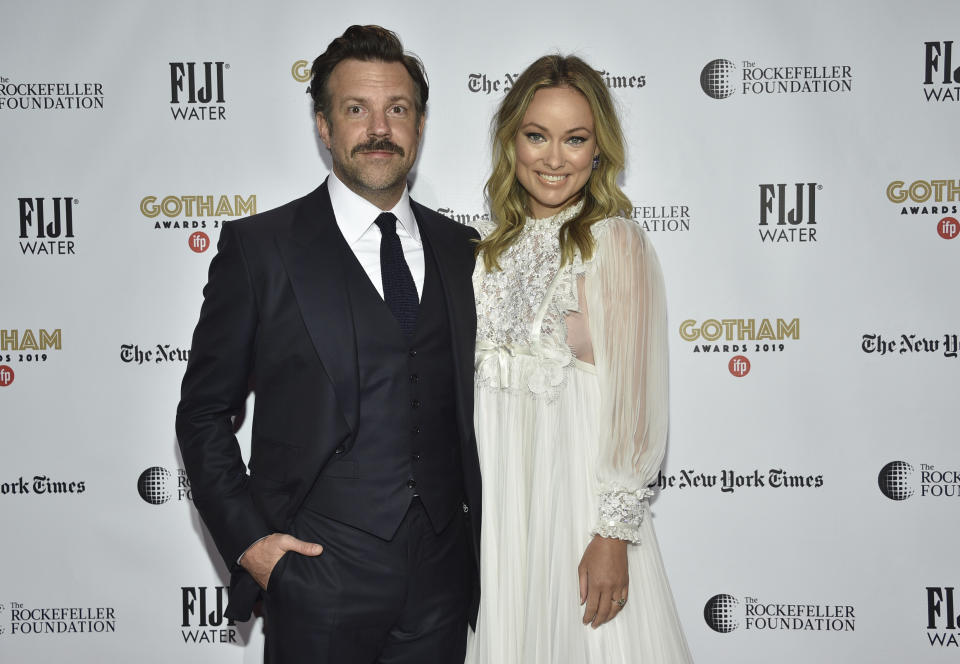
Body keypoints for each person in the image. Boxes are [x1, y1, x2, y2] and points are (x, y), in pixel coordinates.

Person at [175, 25, 481, 663]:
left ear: (420, 126)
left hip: (443, 582)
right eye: (356, 109)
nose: (379, 129)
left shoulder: (464, 252)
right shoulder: (262, 250)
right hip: (317, 575)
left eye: (397, 110)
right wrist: (251, 545)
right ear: (323, 125)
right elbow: (203, 412)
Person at [465, 54, 693, 663]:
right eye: (537, 136)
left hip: (580, 515)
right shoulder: (486, 256)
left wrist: (612, 534)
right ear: (512, 142)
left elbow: (637, 401)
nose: (554, 157)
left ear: (599, 150)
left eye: (575, 139)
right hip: (503, 522)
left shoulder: (616, 243)